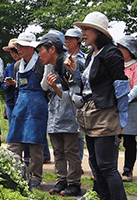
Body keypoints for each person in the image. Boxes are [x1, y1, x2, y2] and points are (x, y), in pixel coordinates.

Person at [65, 11, 129, 200]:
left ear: (98, 32)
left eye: (86, 29)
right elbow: (89, 85)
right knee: (95, 164)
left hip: (105, 113)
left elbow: (121, 85)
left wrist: (122, 118)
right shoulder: (93, 54)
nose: (82, 33)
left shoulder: (111, 53)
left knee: (107, 165)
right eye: (82, 29)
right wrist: (76, 72)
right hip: (89, 113)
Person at [37, 32, 82, 196]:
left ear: (52, 49)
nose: (39, 54)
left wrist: (56, 88)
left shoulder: (66, 64)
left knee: (71, 151)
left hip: (69, 115)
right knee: (58, 151)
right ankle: (61, 180)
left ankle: (74, 183)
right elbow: (44, 87)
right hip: (55, 115)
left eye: (41, 50)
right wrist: (48, 68)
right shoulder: (51, 65)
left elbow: (75, 94)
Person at [5, 32, 47, 188]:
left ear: (31, 47)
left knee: (35, 143)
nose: (19, 49)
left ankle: (36, 177)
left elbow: (46, 88)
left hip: (37, 105)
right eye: (18, 46)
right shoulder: (17, 65)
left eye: (22, 46)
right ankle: (14, 174)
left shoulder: (41, 64)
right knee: (13, 141)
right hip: (20, 104)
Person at [117, 35, 137, 182]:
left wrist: (125, 99)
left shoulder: (135, 66)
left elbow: (136, 87)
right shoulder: (117, 65)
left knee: (129, 140)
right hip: (115, 105)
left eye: (122, 47)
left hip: (131, 106)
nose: (119, 50)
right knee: (114, 138)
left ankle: (127, 170)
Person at [64, 28, 86, 165]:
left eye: (70, 39)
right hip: (63, 97)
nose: (67, 41)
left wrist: (76, 66)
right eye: (66, 38)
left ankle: (78, 162)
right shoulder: (61, 56)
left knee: (79, 132)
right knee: (64, 131)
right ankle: (66, 163)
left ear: (79, 41)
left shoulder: (85, 58)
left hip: (78, 97)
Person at [2, 38, 20, 124]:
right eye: (11, 52)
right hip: (11, 101)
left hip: (22, 101)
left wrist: (16, 83)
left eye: (15, 51)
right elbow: (3, 87)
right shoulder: (9, 68)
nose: (13, 54)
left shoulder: (28, 65)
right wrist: (7, 84)